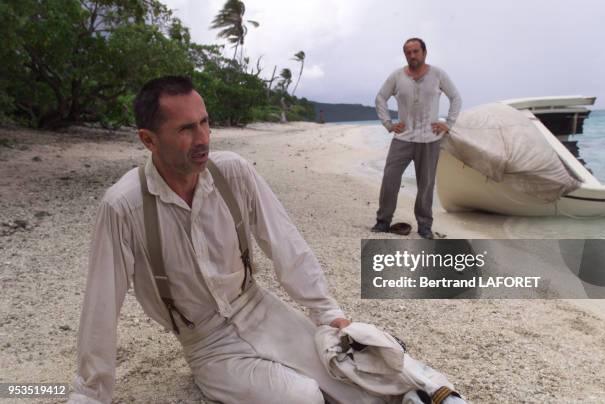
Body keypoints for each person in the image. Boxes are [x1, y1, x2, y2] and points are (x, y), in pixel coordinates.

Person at [68, 76, 382, 404]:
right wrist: (91, 394)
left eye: (205, 123)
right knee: (303, 398)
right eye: (186, 129)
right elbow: (101, 306)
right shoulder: (123, 206)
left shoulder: (233, 173)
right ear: (149, 140)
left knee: (356, 378)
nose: (203, 139)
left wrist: (326, 312)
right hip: (206, 343)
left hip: (260, 308)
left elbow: (285, 243)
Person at [372, 38, 462, 239]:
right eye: (408, 52)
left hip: (430, 139)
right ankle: (383, 222)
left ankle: (424, 226)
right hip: (403, 138)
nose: (412, 55)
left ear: (424, 52)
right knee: (390, 180)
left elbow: (456, 98)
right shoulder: (397, 76)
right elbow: (380, 98)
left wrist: (448, 124)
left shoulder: (438, 74)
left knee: (426, 185)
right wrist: (388, 124)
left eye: (416, 51)